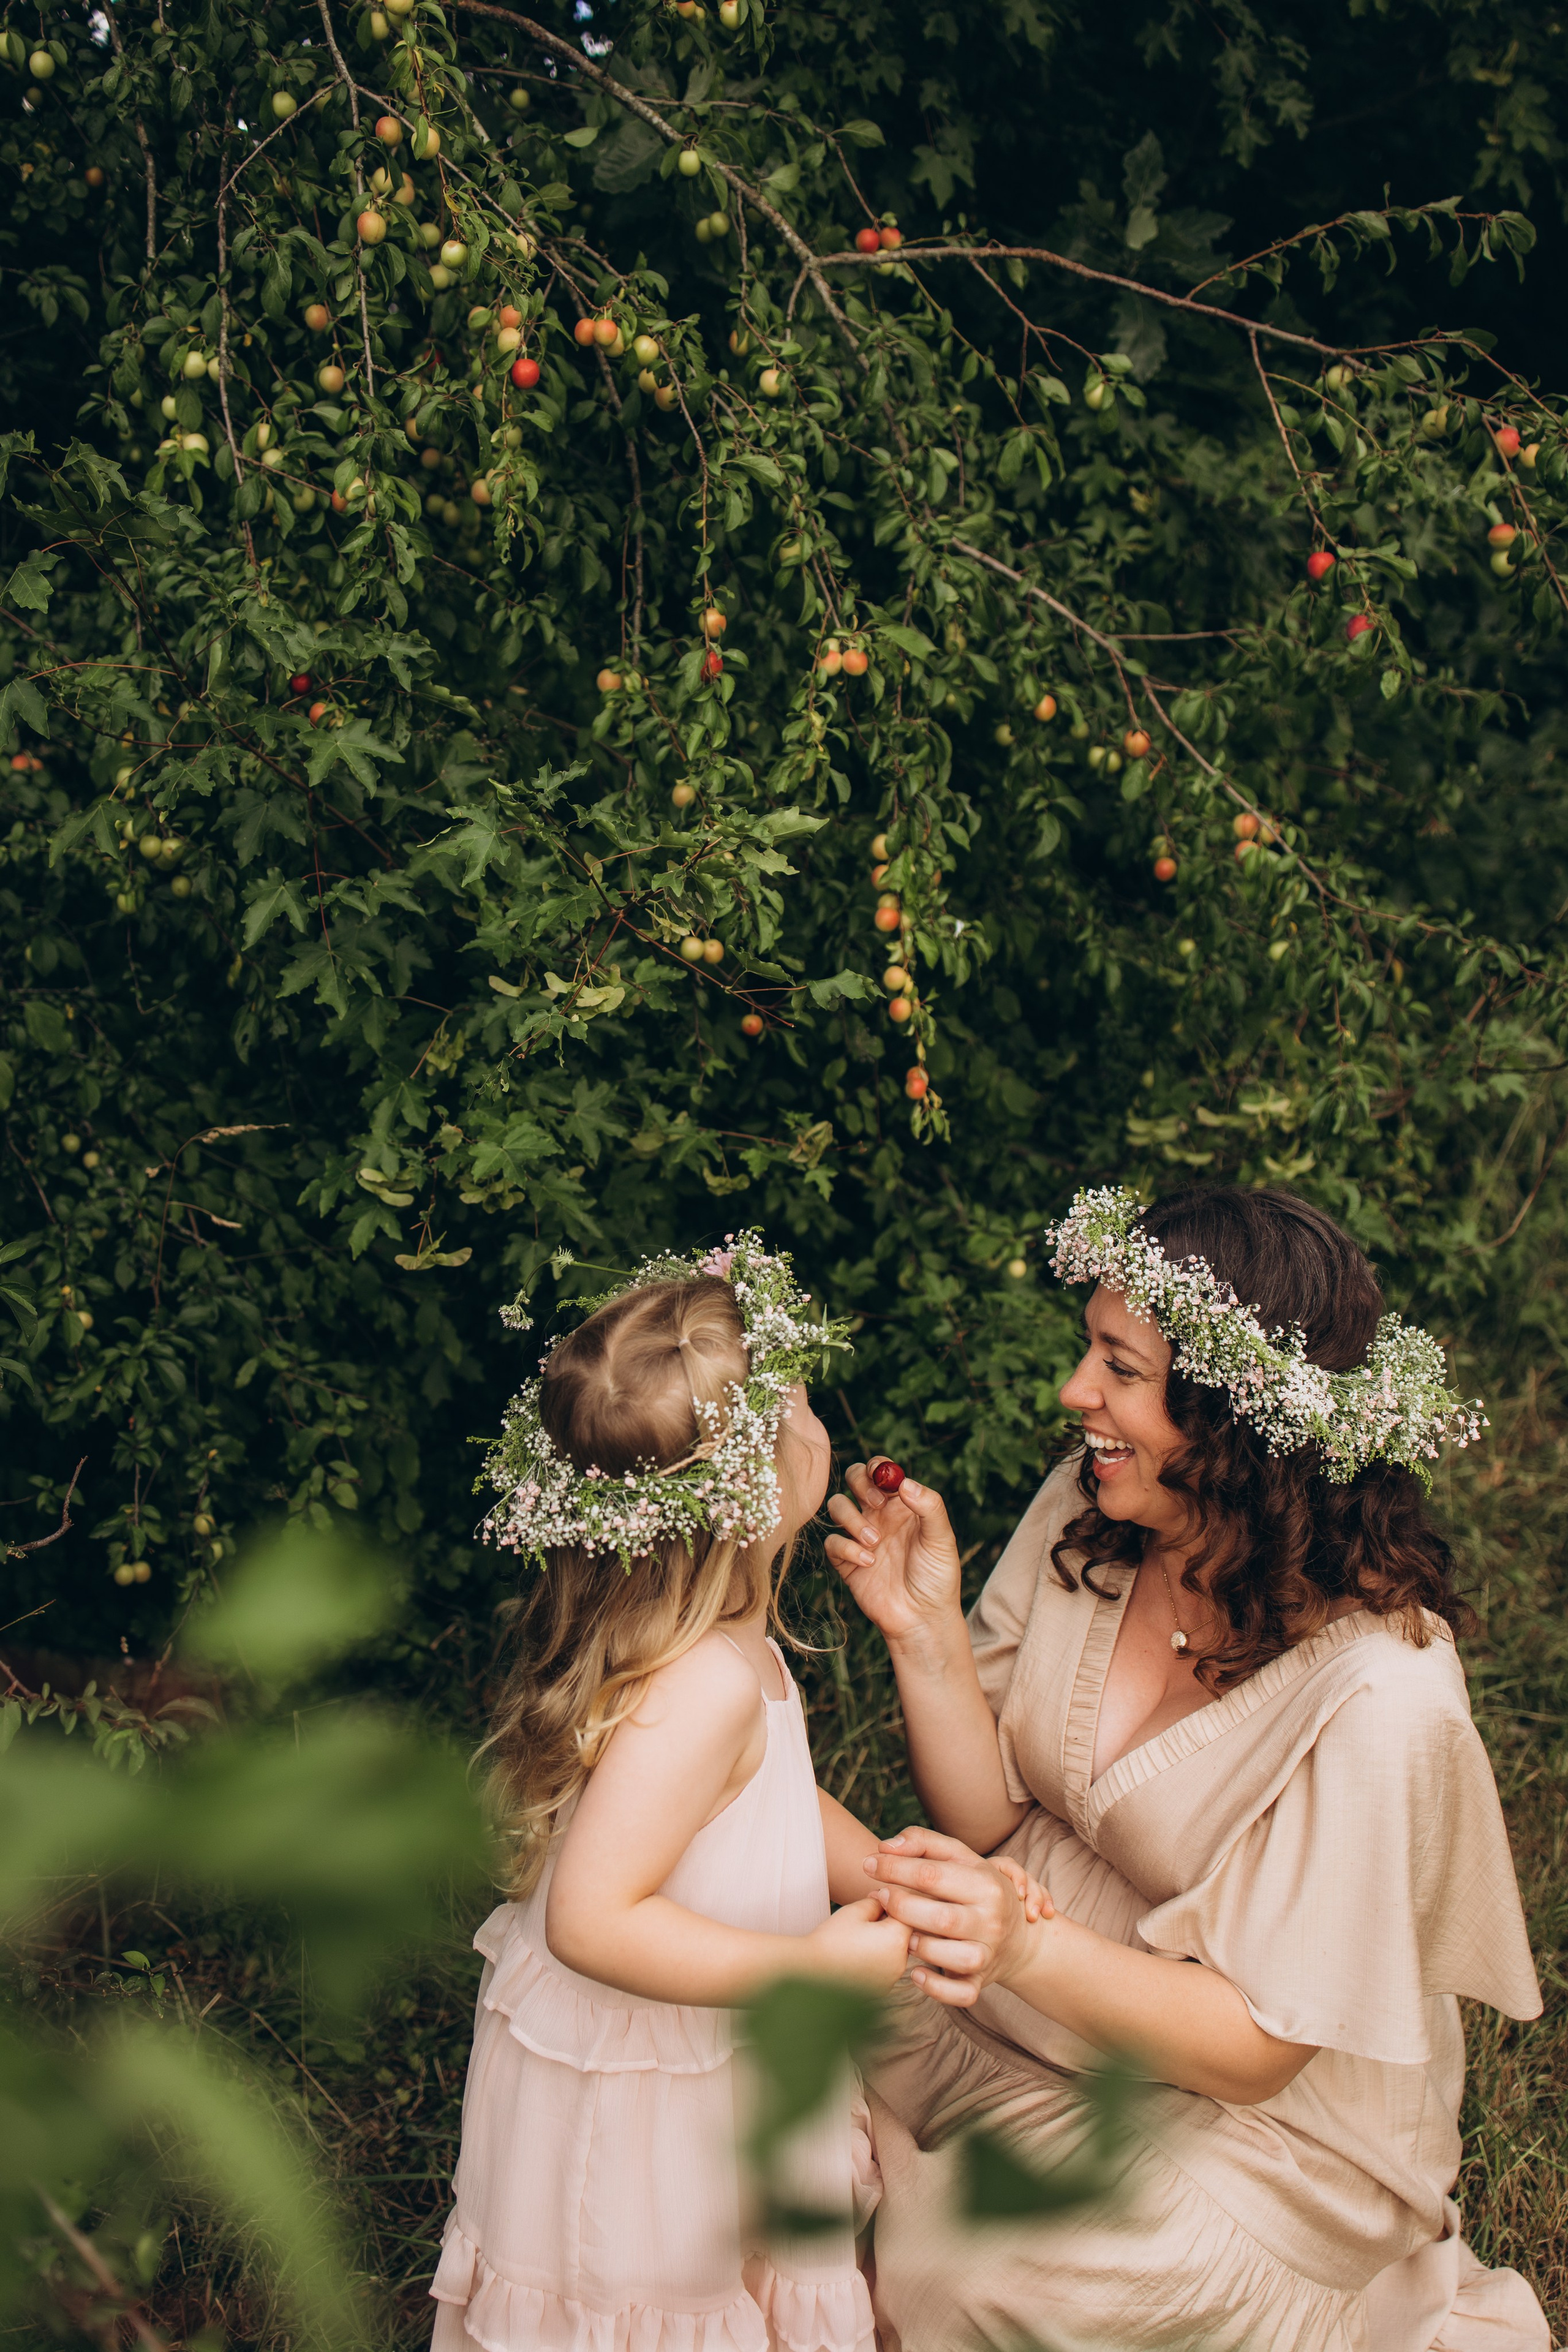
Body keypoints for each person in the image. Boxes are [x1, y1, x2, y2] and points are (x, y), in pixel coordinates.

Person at [826, 1184, 1549, 2352]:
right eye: (1089, 1350)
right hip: (1033, 2011)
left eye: (1120, 1366)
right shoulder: (1098, 1509)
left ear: (1232, 1418)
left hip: (1264, 2137)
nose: (1078, 1393)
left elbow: (1260, 2051)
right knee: (763, 2034)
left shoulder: (1383, 1698)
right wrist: (927, 1634)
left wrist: (1021, 1945)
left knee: (973, 2265)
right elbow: (998, 1825)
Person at [432, 1233, 966, 2352]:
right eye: (803, 1405)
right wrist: (811, 1970)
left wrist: (888, 1873)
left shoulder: (701, 1635)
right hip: (656, 2088)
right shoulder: (705, 1683)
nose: (822, 1425)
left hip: (695, 2041)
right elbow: (590, 1917)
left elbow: (765, 1800)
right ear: (759, 1484)